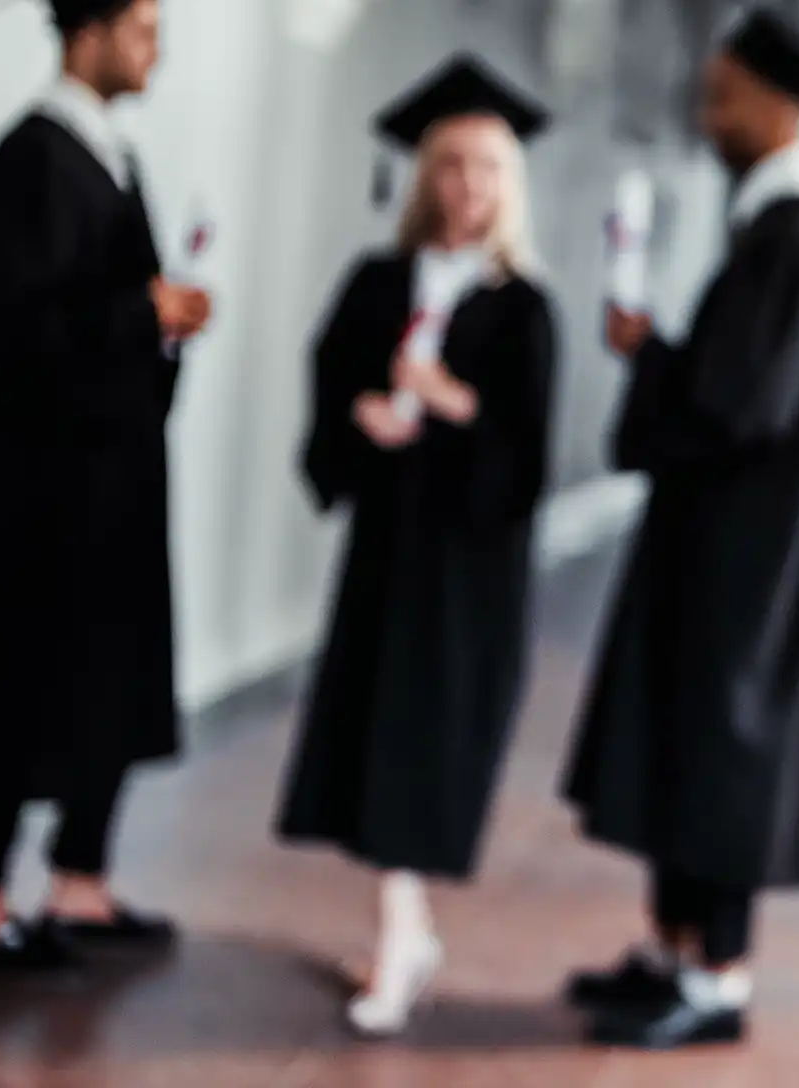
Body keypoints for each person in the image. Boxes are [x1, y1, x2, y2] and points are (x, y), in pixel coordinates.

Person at [0, 0, 211, 972]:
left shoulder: (116, 157)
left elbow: (116, 310)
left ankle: (82, 882)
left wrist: (165, 327)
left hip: (108, 480)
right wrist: (142, 313)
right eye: (143, 32)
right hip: (30, 490)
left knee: (100, 679)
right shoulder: (29, 160)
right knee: (14, 683)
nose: (154, 53)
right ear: (89, 33)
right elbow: (18, 326)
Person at [561, 7, 799, 1050]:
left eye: (723, 94)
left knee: (726, 747)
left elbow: (744, 407)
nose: (707, 112)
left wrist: (651, 359)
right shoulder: (773, 231)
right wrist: (662, 352)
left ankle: (718, 978)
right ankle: (674, 949)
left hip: (751, 561)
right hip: (724, 544)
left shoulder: (798, 240)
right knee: (685, 740)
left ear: (779, 107)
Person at [277, 55, 558, 1036]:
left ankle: (402, 939)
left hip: (467, 570)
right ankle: (405, 927)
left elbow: (528, 454)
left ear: (507, 184)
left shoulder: (521, 306)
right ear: (425, 174)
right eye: (450, 165)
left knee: (424, 743)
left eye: (485, 168)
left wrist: (453, 404)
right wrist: (362, 412)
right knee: (373, 737)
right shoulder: (379, 280)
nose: (466, 187)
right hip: (387, 550)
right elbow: (331, 378)